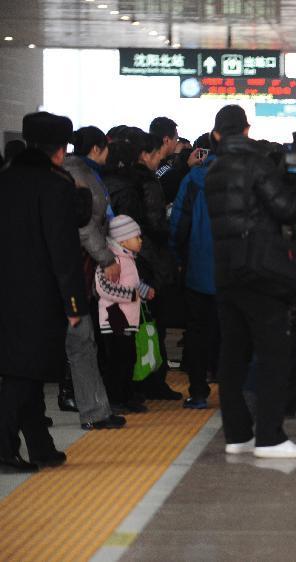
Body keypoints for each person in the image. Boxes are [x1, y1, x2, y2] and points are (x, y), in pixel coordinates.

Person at [205, 105, 296, 459]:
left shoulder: (213, 169)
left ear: (218, 134)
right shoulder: (256, 163)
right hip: (259, 273)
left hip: (225, 272)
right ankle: (269, 437)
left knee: (232, 356)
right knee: (274, 354)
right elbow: (287, 209)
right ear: (246, 130)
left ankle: (237, 435)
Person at [0, 112, 85, 472]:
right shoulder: (56, 186)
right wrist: (73, 302)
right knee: (22, 375)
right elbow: (63, 251)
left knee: (24, 370)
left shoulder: (4, 179)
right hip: (38, 295)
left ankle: (40, 445)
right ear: (60, 150)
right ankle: (3, 449)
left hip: (6, 291)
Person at [106, 130, 181, 401]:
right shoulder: (144, 183)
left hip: (113, 261)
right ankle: (149, 381)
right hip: (145, 261)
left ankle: (130, 383)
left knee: (120, 329)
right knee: (151, 324)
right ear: (144, 154)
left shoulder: (107, 181)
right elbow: (156, 226)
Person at [62, 126, 128, 430]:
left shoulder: (71, 171)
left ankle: (91, 408)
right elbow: (85, 225)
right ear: (98, 149)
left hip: (71, 265)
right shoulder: (80, 177)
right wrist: (106, 257)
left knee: (79, 338)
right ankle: (93, 411)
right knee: (80, 339)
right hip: (75, 265)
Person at [169, 130, 218, 409]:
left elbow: (178, 224)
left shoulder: (194, 180)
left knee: (198, 332)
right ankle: (237, 392)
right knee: (236, 331)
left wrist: (178, 257)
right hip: (236, 272)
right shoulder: (249, 178)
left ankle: (198, 393)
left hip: (197, 269)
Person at [95, 215, 155, 413]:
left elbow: (133, 284)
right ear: (122, 240)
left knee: (128, 359)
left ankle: (126, 396)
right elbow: (103, 287)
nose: (140, 240)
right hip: (114, 320)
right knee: (117, 361)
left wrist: (145, 291)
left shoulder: (128, 259)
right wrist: (132, 295)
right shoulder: (111, 259)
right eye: (136, 237)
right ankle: (114, 398)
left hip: (127, 321)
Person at [150, 116, 203, 204]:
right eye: (176, 139)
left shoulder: (146, 163)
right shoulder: (168, 172)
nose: (177, 143)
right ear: (166, 140)